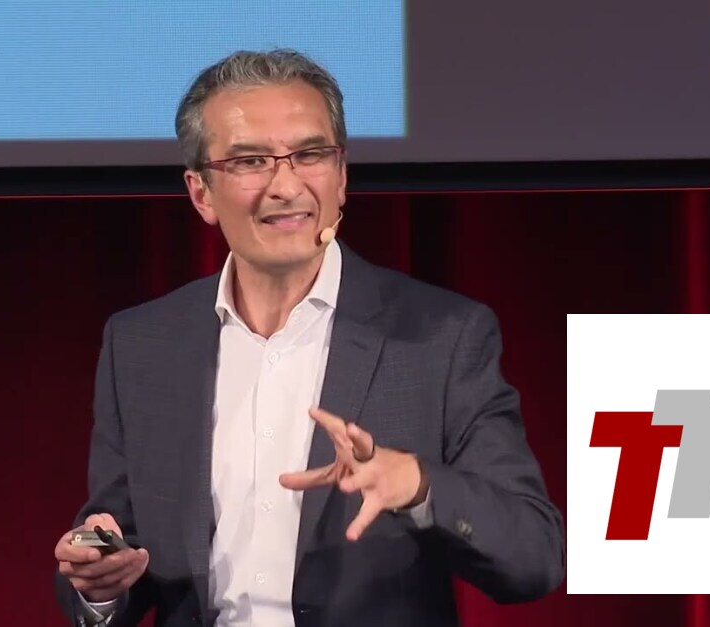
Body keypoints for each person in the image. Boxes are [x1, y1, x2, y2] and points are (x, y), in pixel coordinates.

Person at [53, 49, 565, 627]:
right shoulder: (142, 344)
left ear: (341, 176)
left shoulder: (442, 337)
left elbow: (535, 558)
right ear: (201, 194)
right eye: (250, 161)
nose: (286, 185)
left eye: (310, 155)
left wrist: (419, 485)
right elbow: (114, 540)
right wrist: (99, 579)